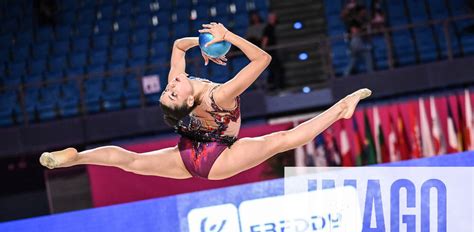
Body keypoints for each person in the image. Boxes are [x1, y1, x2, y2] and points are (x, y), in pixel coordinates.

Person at [39, 22, 372, 180]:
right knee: (280, 139)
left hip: (188, 152)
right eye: (172, 92)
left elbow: (178, 47)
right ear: (185, 102)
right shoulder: (219, 96)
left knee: (131, 161)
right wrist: (229, 38)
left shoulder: (180, 82)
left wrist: (202, 45)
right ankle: (341, 110)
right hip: (215, 159)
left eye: (167, 89)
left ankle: (75, 157)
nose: (171, 85)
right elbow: (262, 61)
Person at [261, 11, 285, 91]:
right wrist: (264, 51)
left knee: (277, 69)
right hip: (271, 52)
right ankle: (274, 87)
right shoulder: (268, 28)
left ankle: (277, 86)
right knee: (274, 70)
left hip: (274, 51)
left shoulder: (274, 27)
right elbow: (265, 40)